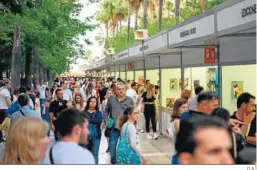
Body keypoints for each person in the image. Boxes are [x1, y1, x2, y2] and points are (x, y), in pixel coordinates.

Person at [104, 82, 134, 164]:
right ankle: (113, 161)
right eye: (119, 89)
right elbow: (106, 110)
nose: (121, 91)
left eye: (122, 89)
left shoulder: (130, 100)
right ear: (115, 90)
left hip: (125, 127)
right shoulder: (111, 99)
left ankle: (123, 161)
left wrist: (133, 125)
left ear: (125, 90)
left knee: (125, 146)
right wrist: (106, 120)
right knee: (112, 145)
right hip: (114, 127)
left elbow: (133, 113)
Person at [168, 99, 188, 164]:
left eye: (187, 107)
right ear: (177, 109)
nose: (186, 109)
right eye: (183, 107)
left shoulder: (177, 120)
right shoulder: (177, 121)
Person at [84, 96, 103, 164]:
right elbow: (81, 122)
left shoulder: (98, 112)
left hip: (96, 135)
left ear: (96, 103)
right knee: (86, 153)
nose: (92, 103)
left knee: (95, 153)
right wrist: (93, 122)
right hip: (85, 136)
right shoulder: (84, 112)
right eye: (91, 101)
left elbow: (99, 120)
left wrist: (88, 120)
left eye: (94, 102)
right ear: (88, 102)